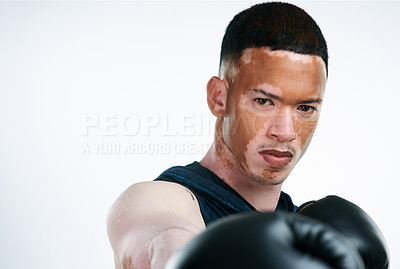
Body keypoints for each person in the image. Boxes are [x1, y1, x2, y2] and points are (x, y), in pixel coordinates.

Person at [107, 2, 328, 269]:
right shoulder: (162, 200)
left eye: (305, 108)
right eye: (263, 101)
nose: (285, 132)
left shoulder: (309, 234)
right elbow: (162, 240)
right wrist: (180, 255)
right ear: (218, 97)